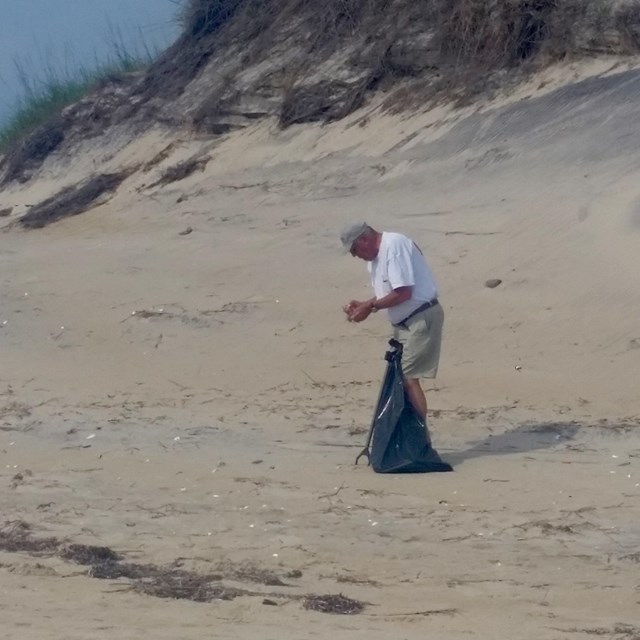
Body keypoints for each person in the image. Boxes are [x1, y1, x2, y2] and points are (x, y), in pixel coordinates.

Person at [340, 221, 444, 426]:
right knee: (402, 378)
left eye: (354, 249)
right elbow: (389, 293)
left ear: (365, 239)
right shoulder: (375, 259)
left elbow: (404, 293)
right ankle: (410, 433)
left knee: (409, 378)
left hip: (421, 318)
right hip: (404, 324)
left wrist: (369, 309)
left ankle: (421, 438)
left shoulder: (393, 246)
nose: (355, 255)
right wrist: (365, 304)